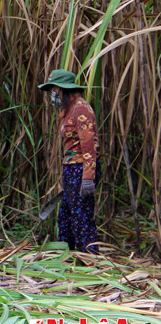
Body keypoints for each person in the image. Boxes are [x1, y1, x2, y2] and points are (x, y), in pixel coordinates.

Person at [39, 69, 100, 253]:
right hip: (72, 169)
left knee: (81, 216)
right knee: (65, 215)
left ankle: (89, 258)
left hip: (81, 169)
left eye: (54, 90)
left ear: (63, 89)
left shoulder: (81, 109)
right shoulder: (70, 109)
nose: (52, 95)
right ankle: (65, 255)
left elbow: (89, 146)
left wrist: (88, 177)